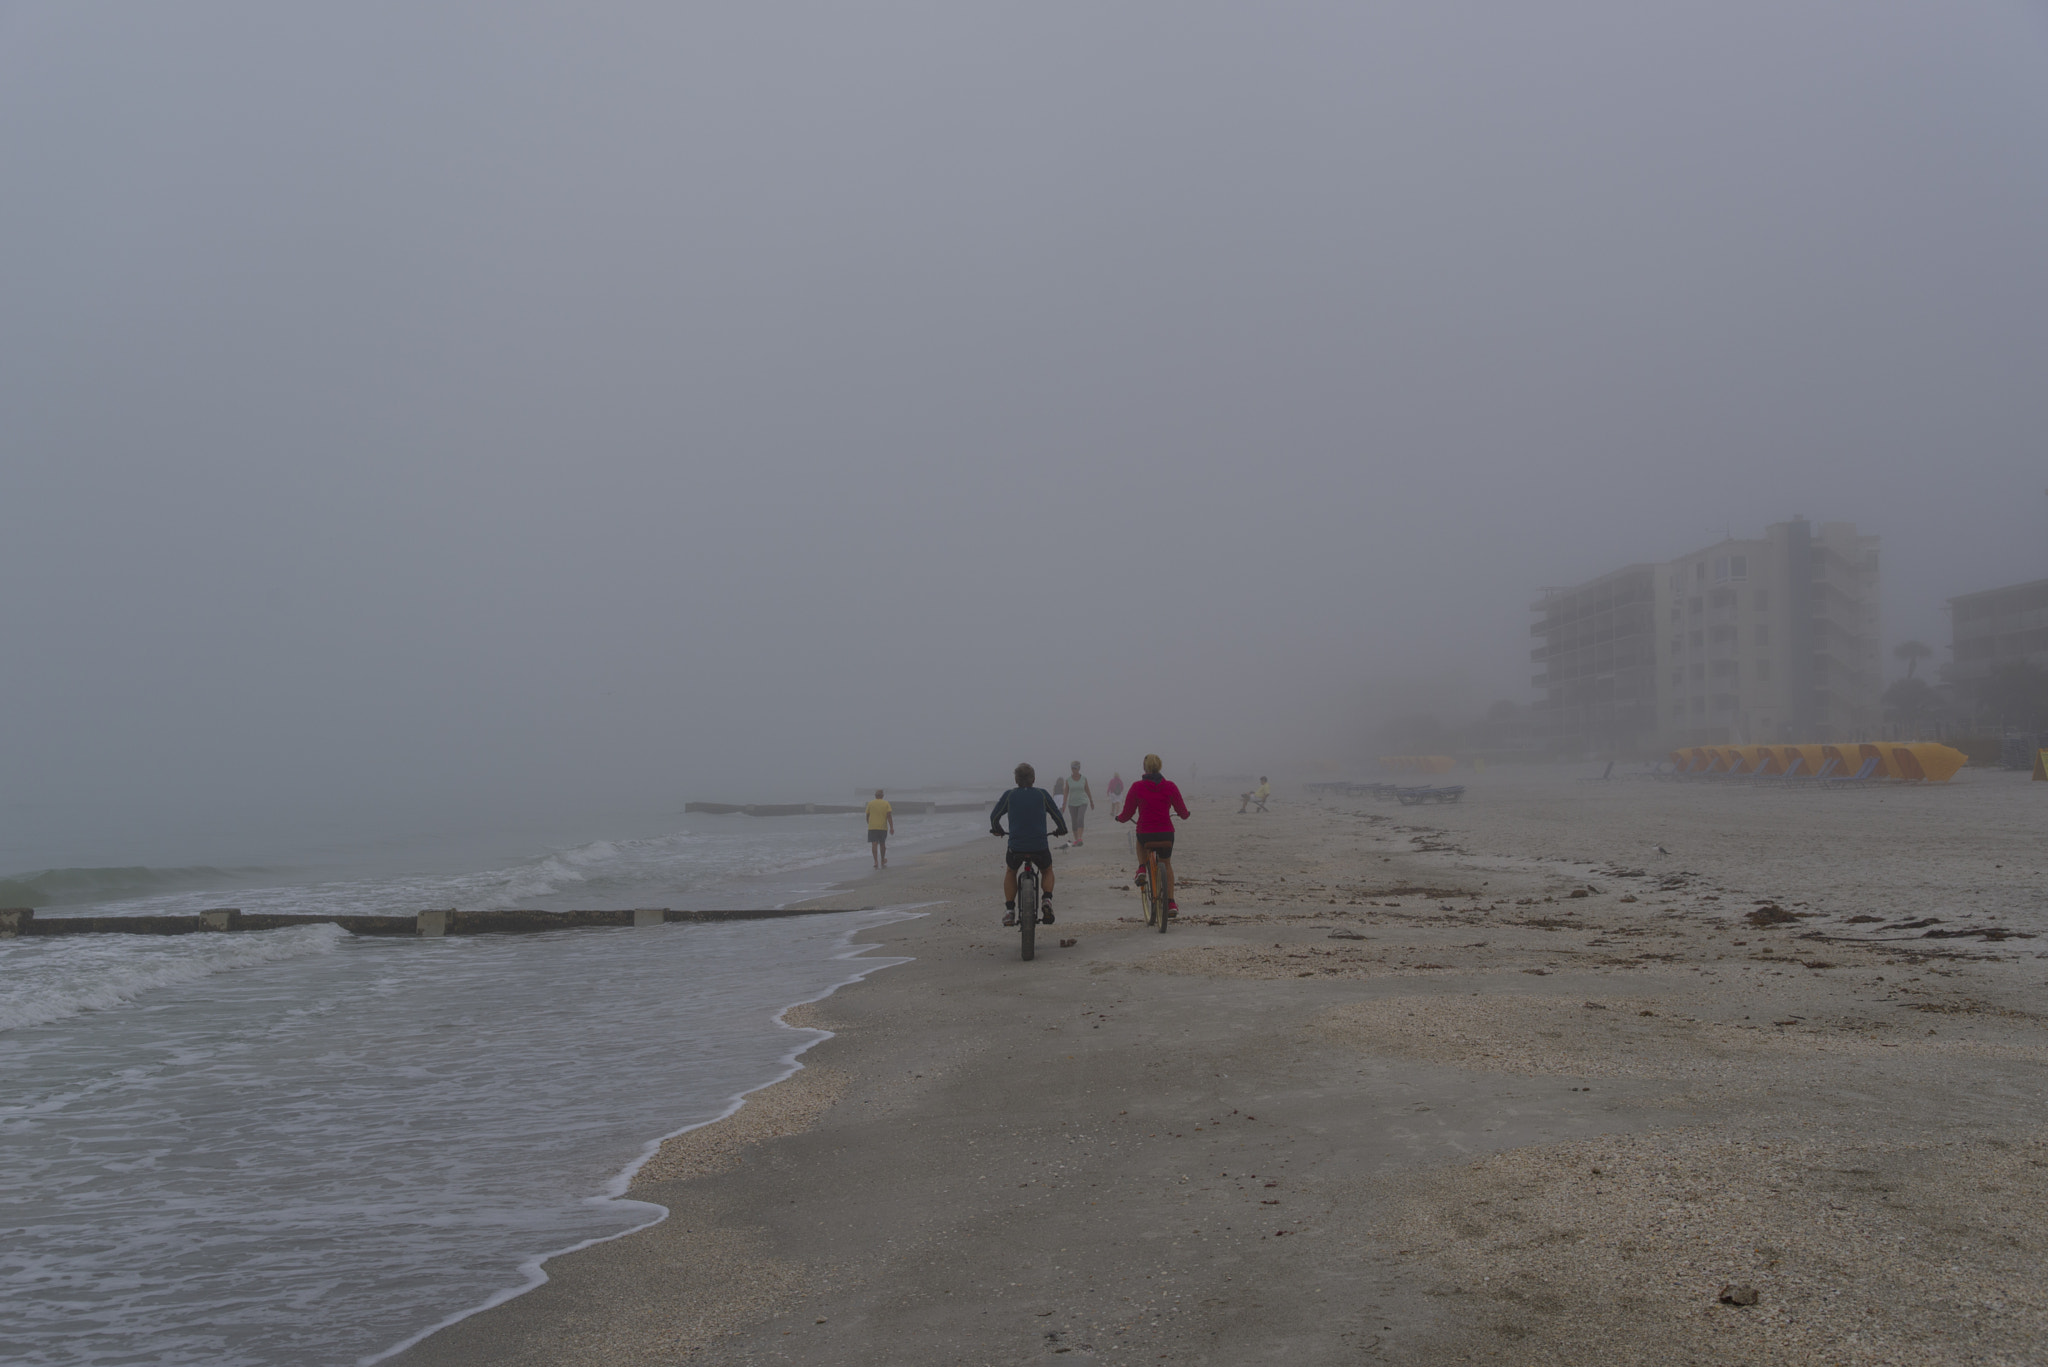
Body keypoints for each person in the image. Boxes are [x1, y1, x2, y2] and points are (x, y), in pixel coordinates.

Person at [990, 763, 1068, 927]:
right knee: (1047, 869)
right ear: (1033, 779)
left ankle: (1010, 910)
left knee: (1011, 870)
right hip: (1039, 845)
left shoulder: (1009, 795)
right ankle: (1047, 899)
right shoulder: (1042, 794)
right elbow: (1057, 817)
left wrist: (998, 830)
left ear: (1016, 780)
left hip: (1016, 847)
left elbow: (994, 816)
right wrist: (1061, 830)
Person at [1115, 753, 1191, 916]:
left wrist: (1119, 819)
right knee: (1167, 864)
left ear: (1145, 768)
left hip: (1146, 833)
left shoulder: (1137, 787)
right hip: (1166, 833)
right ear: (1160, 767)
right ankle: (1171, 903)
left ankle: (1142, 868)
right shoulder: (1170, 786)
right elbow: (1182, 812)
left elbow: (1127, 813)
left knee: (1140, 839)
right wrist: (1186, 814)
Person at [1052, 761, 1095, 846]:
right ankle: (1076, 840)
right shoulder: (1068, 780)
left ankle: (1079, 838)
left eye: (1075, 768)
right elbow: (1066, 792)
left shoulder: (1083, 779)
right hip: (1072, 803)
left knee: (1080, 818)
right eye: (1072, 768)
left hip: (1083, 802)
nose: (1074, 770)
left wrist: (1091, 801)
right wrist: (1063, 804)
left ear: (1079, 769)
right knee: (1074, 822)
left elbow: (1087, 790)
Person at [865, 788, 894, 868]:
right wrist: (891, 827)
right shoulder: (886, 803)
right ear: (882, 796)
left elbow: (867, 815)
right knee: (882, 844)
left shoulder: (870, 803)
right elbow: (889, 816)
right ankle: (882, 859)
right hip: (882, 827)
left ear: (875, 796)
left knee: (874, 844)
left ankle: (875, 861)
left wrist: (869, 823)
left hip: (872, 827)